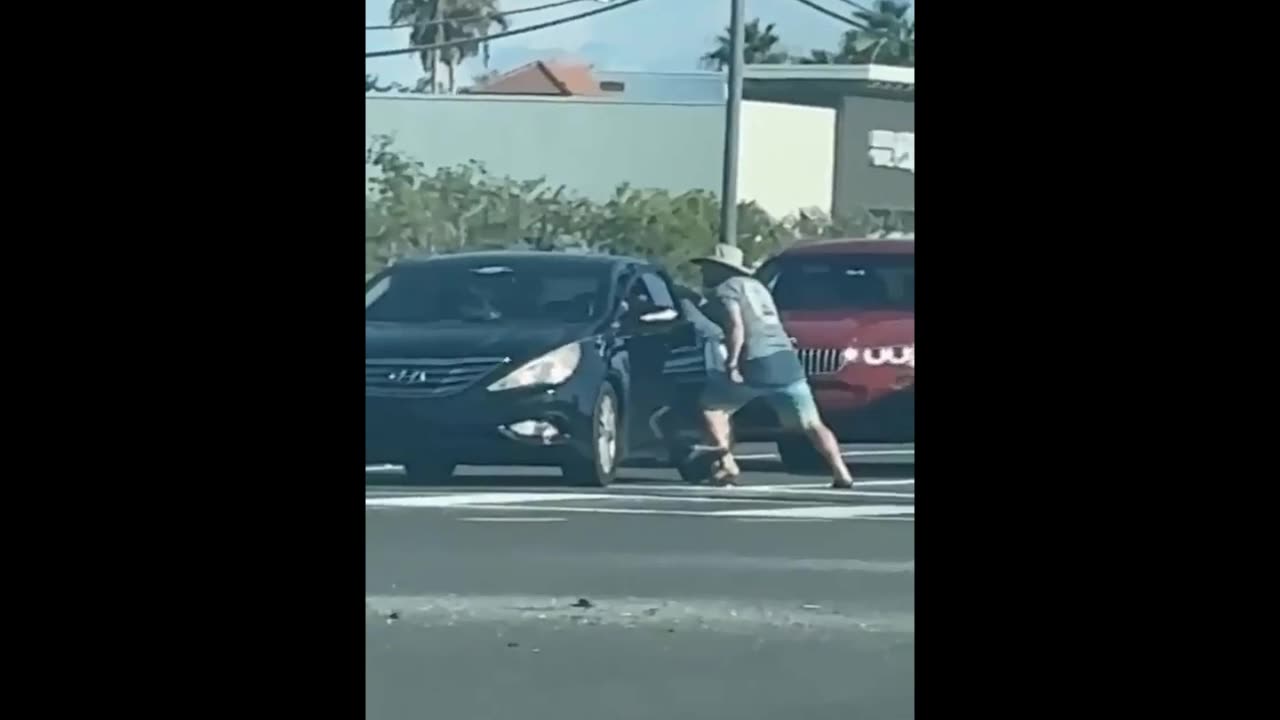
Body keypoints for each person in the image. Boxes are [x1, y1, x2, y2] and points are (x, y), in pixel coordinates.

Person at [691, 244, 855, 489]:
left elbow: (737, 326)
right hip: (785, 359)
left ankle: (727, 464)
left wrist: (733, 362)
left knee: (713, 409)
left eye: (707, 267)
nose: (703, 272)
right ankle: (841, 471)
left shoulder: (726, 289)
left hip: (755, 359)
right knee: (812, 424)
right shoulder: (758, 288)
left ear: (720, 268)